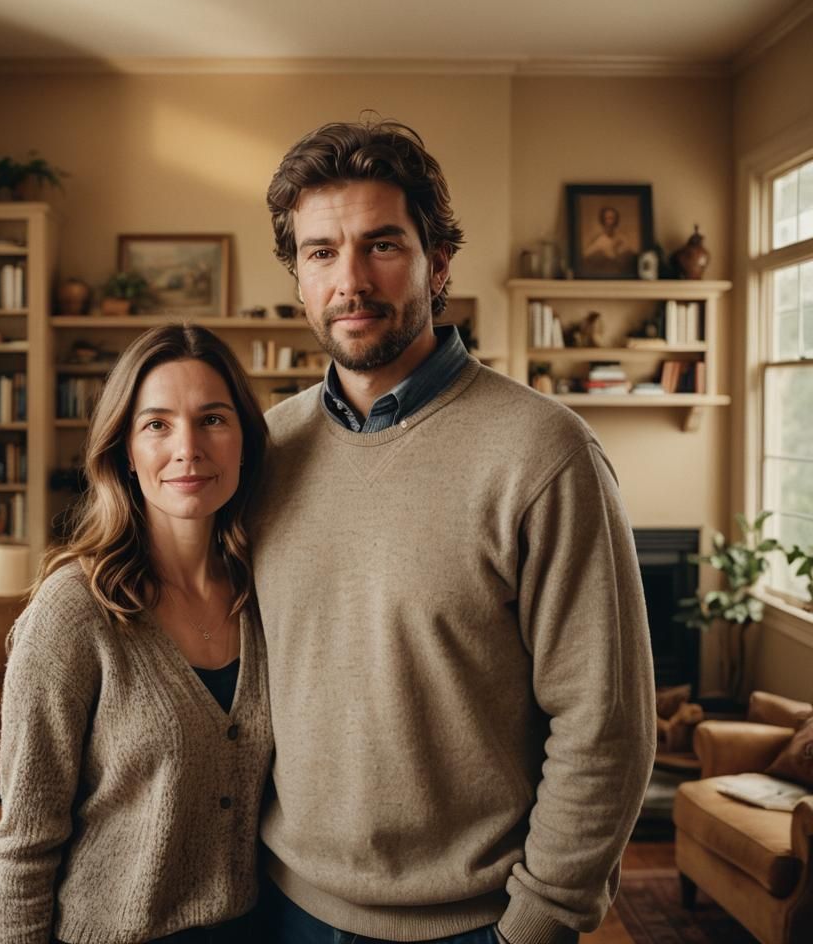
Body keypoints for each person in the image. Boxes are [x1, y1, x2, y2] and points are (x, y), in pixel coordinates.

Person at [254, 119, 656, 944]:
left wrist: (538, 923)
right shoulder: (265, 450)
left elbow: (605, 722)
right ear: (297, 275)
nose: (350, 280)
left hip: (477, 924)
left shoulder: (544, 452)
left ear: (438, 265)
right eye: (321, 252)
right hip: (283, 906)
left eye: (382, 246)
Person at [0, 324, 272, 944]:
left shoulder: (265, 595)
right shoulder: (74, 611)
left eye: (214, 419)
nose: (188, 448)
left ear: (245, 440)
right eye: (157, 424)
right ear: (124, 451)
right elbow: (24, 845)